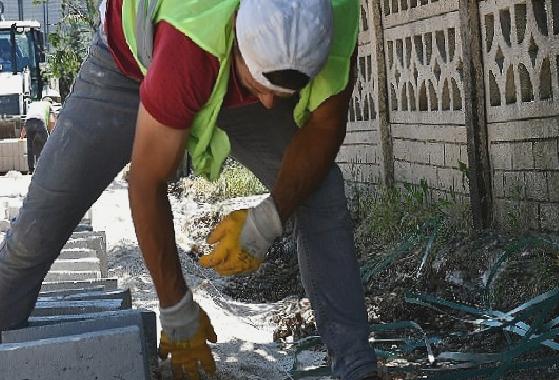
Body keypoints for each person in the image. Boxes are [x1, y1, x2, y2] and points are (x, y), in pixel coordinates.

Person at [0, 0, 380, 379]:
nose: (268, 103)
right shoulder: (193, 39)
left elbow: (325, 128)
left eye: (281, 92)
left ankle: (356, 367)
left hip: (224, 68)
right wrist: (177, 311)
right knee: (36, 230)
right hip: (127, 67)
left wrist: (269, 218)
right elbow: (147, 182)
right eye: (261, 85)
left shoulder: (337, 14)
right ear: (236, 32)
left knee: (320, 193)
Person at [20, 98, 56, 173]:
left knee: (30, 148)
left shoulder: (33, 104)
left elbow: (28, 119)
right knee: (46, 146)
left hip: (28, 123)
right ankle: (46, 168)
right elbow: (53, 120)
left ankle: (31, 170)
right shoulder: (48, 104)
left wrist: (22, 136)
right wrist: (52, 133)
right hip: (39, 122)